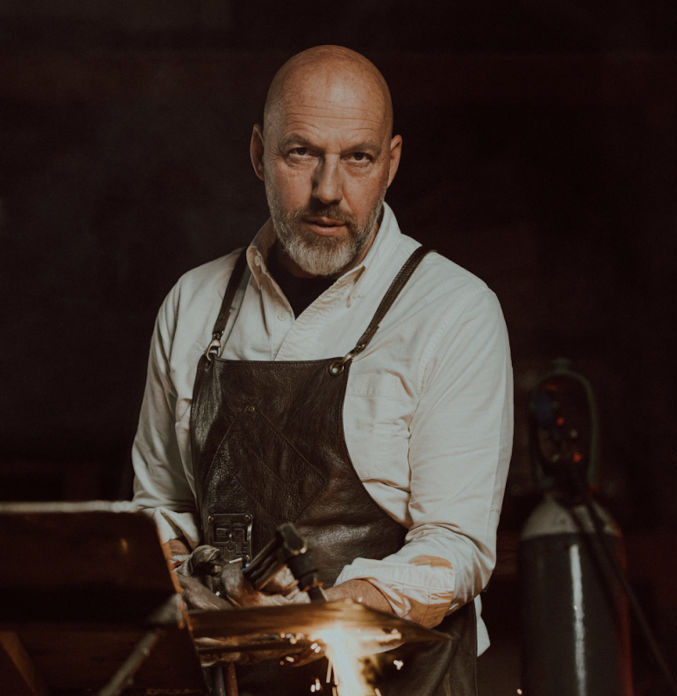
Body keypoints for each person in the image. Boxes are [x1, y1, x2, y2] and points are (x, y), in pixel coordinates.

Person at [129, 45, 513, 694]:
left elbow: (454, 546)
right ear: (259, 154)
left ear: (391, 163)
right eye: (301, 153)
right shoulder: (192, 304)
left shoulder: (453, 310)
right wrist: (204, 585)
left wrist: (320, 614)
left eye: (357, 157)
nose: (328, 190)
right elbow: (159, 510)